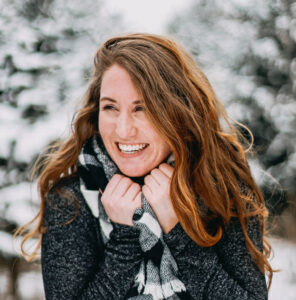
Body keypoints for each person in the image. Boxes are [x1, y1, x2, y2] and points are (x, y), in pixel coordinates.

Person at [18, 33, 273, 299]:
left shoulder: (221, 190)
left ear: (178, 112)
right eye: (110, 107)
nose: (124, 129)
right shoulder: (71, 202)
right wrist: (125, 238)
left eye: (142, 108)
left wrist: (179, 231)